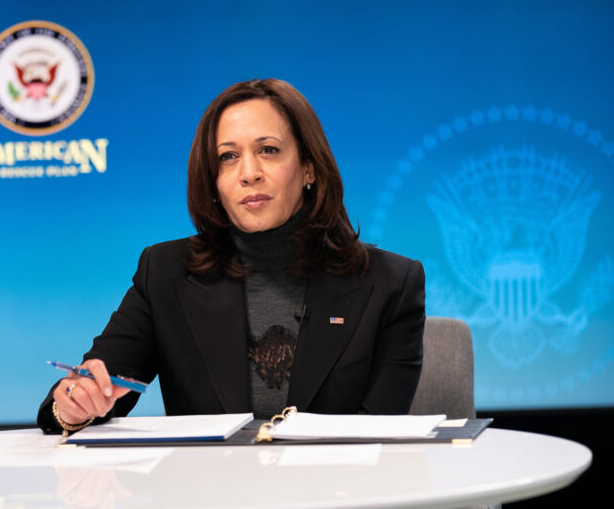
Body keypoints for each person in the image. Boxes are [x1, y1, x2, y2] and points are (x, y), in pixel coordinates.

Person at [37, 79, 425, 434]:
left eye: (268, 151)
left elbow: (381, 440)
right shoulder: (166, 273)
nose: (249, 173)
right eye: (228, 157)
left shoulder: (390, 283)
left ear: (309, 168)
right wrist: (75, 406)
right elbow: (90, 388)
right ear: (213, 181)